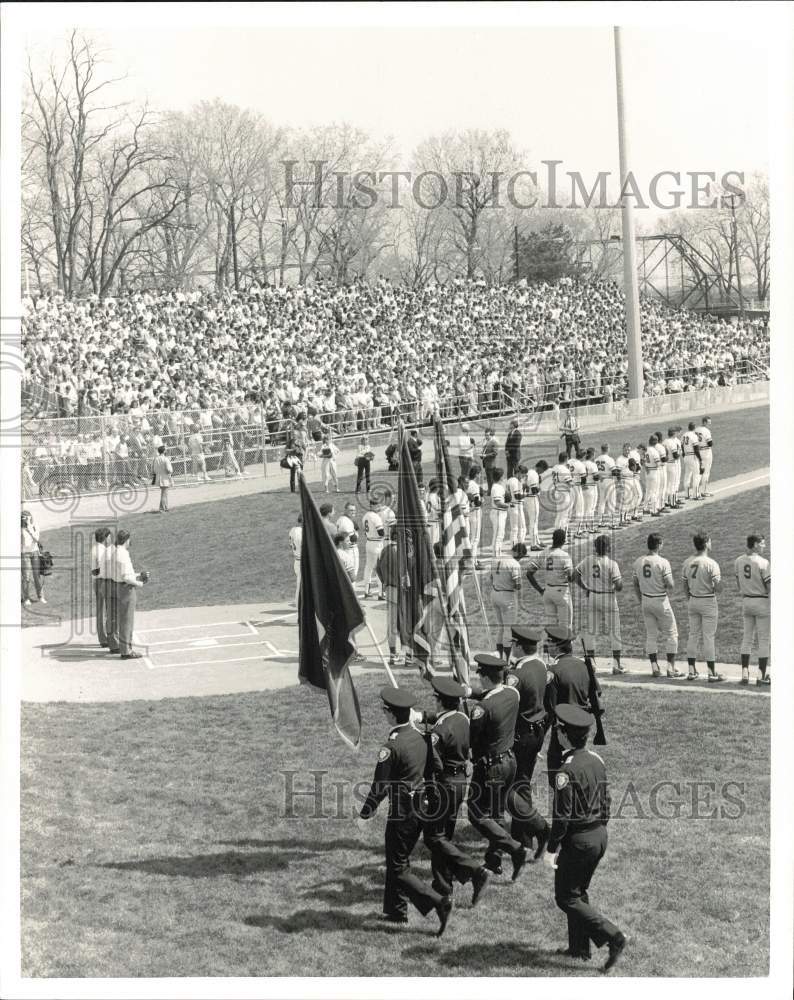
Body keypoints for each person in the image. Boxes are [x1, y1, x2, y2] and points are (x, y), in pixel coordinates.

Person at [358, 686, 453, 935]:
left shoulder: (391, 747)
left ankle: (439, 903)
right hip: (422, 807)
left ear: (390, 715)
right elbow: (435, 768)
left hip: (403, 813)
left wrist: (365, 813)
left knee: (398, 866)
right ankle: (396, 910)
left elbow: (380, 787)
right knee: (397, 860)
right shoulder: (422, 736)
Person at [543, 703, 627, 974]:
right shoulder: (596, 760)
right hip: (599, 835)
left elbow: (562, 816)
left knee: (566, 898)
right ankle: (579, 948)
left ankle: (613, 936)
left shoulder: (565, 772)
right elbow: (607, 801)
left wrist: (551, 849)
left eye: (558, 729)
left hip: (580, 840)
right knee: (578, 891)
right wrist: (598, 828)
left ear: (563, 735)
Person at [422, 676, 490, 903]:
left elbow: (434, 765)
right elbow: (446, 724)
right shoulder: (462, 717)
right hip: (460, 781)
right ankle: (443, 885)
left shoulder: (438, 732)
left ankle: (474, 871)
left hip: (444, 785)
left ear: (439, 701)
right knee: (445, 834)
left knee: (434, 837)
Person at [466, 653, 527, 879]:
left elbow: (472, 740)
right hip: (510, 761)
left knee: (475, 813)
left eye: (479, 674)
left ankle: (515, 849)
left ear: (484, 677)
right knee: (496, 812)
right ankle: (494, 860)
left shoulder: (482, 709)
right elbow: (492, 696)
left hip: (490, 767)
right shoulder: (513, 693)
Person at [505, 626, 551, 856]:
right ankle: (523, 838)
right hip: (536, 732)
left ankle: (540, 828)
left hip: (520, 735)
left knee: (509, 787)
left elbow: (505, 703)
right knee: (520, 783)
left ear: (519, 646)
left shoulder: (517, 674)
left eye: (514, 643)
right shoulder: (541, 666)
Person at [544, 626, 601, 785]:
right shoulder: (584, 665)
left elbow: (550, 706)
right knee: (579, 763)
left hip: (563, 727)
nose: (546, 645)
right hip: (582, 724)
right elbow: (596, 693)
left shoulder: (553, 670)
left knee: (558, 775)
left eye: (549, 642)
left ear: (557, 646)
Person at [631, 533, 682, 678]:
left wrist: (641, 599)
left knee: (651, 635)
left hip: (646, 600)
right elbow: (670, 585)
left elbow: (635, 584)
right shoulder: (663, 562)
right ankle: (671, 668)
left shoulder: (638, 561)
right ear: (659, 544)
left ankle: (654, 667)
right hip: (660, 601)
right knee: (672, 633)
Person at [574, 534, 625, 676]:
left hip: (593, 596)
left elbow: (574, 575)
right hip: (608, 597)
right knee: (614, 631)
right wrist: (616, 587)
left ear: (595, 547)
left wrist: (585, 588)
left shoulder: (588, 560)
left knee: (591, 630)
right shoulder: (612, 564)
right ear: (608, 548)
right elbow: (619, 585)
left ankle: (591, 664)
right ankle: (616, 665)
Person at [681, 532, 724, 682]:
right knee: (708, 637)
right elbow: (719, 588)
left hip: (693, 601)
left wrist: (690, 599)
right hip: (707, 601)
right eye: (710, 541)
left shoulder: (687, 562)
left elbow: (685, 585)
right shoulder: (711, 563)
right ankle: (712, 673)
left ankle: (692, 671)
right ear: (705, 543)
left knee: (693, 635)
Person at [734, 533, 771, 686]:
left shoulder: (738, 561)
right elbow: (770, 587)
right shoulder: (763, 562)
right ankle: (761, 675)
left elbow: (738, 584)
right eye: (762, 543)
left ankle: (744, 673)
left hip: (746, 601)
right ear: (755, 544)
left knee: (747, 638)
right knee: (763, 640)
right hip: (761, 601)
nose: (764, 546)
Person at [526, 528, 573, 629]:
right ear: (564, 541)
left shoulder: (543, 553)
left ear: (553, 539)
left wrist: (540, 590)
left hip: (547, 592)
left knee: (551, 628)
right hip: (561, 593)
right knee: (565, 627)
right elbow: (570, 577)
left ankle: (551, 644)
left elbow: (529, 573)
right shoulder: (564, 555)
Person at [112, 529, 148, 659]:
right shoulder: (123, 554)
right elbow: (126, 578)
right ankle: (126, 651)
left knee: (124, 619)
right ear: (127, 540)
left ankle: (124, 648)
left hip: (119, 586)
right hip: (126, 588)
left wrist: (138, 575)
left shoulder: (116, 552)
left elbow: (123, 574)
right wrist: (140, 583)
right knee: (127, 620)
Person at [489, 542, 525, 661]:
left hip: (494, 594)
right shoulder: (514, 564)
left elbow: (491, 578)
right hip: (507, 597)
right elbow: (518, 585)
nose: (520, 559)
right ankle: (507, 660)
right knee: (508, 629)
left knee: (501, 627)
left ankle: (499, 657)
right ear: (517, 552)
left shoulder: (496, 558)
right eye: (520, 556)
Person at [376, 528, 401, 666]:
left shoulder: (384, 550)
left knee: (391, 624)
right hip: (403, 591)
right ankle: (408, 655)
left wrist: (384, 581)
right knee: (406, 623)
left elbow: (377, 568)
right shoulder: (402, 551)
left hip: (390, 589)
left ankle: (393, 654)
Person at [90, 527, 112, 646]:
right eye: (109, 536)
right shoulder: (102, 550)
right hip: (102, 582)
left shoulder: (96, 548)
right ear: (105, 537)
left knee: (101, 609)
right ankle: (106, 638)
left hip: (98, 582)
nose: (110, 539)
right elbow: (95, 571)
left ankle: (103, 638)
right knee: (106, 610)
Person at [361, 497, 386, 599]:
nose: (379, 507)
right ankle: (381, 594)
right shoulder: (376, 517)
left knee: (368, 567)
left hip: (369, 543)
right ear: (372, 506)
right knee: (379, 569)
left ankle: (366, 591)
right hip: (376, 544)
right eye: (377, 505)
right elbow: (381, 533)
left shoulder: (365, 516)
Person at [21, 510, 45, 606]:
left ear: (30, 517)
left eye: (26, 517)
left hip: (34, 552)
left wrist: (29, 527)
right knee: (26, 576)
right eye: (23, 518)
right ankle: (26, 598)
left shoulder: (35, 526)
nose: (25, 519)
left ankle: (41, 596)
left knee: (37, 575)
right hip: (24, 554)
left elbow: (36, 539)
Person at [336, 502, 361, 581]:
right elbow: (353, 539)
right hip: (350, 550)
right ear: (345, 510)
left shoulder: (340, 519)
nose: (353, 512)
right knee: (352, 574)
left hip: (343, 549)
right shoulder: (346, 522)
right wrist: (356, 533)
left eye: (354, 510)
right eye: (351, 510)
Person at [550, 451, 573, 532]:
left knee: (559, 515)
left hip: (557, 492)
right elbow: (570, 483)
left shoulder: (555, 467)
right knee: (565, 516)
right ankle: (563, 537)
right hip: (564, 494)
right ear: (566, 459)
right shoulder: (564, 470)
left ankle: (556, 533)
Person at [488, 467, 509, 559]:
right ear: (501, 477)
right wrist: (508, 505)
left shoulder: (498, 486)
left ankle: (498, 554)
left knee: (500, 534)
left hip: (500, 513)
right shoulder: (496, 487)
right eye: (503, 476)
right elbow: (498, 502)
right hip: (498, 513)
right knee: (498, 535)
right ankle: (496, 557)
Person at [594, 444, 616, 529]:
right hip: (608, 480)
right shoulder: (609, 459)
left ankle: (600, 521)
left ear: (601, 449)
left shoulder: (596, 459)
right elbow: (614, 472)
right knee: (611, 501)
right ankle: (612, 522)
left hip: (600, 481)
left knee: (601, 501)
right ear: (608, 449)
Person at [466, 465, 484, 568]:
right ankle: (473, 563)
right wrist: (482, 501)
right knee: (475, 538)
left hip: (469, 512)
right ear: (476, 474)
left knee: (470, 538)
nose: (480, 475)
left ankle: (475, 560)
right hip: (475, 513)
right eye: (480, 473)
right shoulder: (475, 485)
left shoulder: (467, 483)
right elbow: (477, 502)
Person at [681, 421, 703, 500]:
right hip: (693, 456)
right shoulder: (693, 436)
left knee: (687, 475)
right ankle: (695, 495)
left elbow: (682, 447)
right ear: (694, 427)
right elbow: (696, 449)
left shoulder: (684, 435)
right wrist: (700, 459)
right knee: (696, 475)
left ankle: (686, 494)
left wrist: (684, 456)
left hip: (686, 456)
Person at [523, 462, 542, 551]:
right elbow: (534, 490)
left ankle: (537, 541)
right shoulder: (534, 474)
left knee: (534, 521)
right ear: (539, 468)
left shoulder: (529, 472)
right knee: (533, 522)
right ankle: (533, 544)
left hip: (527, 498)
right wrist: (539, 489)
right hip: (532, 499)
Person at [693, 415, 714, 496]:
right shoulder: (706, 431)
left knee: (698, 472)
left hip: (698, 452)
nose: (710, 424)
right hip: (706, 452)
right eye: (708, 422)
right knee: (706, 472)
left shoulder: (696, 429)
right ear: (704, 422)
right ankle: (704, 491)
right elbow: (710, 443)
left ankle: (696, 492)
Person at [506, 466, 526, 546]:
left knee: (514, 529)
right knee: (522, 528)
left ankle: (513, 547)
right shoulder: (515, 482)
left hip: (511, 505)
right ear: (518, 473)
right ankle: (520, 547)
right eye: (522, 474)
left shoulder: (509, 480)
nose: (523, 476)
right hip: (517, 506)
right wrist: (525, 494)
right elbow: (517, 496)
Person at [151, 444, 174, 513]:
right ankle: (162, 509)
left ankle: (165, 507)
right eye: (165, 449)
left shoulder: (156, 459)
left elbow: (153, 470)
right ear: (163, 451)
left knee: (164, 493)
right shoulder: (165, 459)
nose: (166, 450)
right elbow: (169, 470)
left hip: (159, 477)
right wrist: (170, 472)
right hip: (165, 478)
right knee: (164, 494)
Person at [288, 514, 303, 607]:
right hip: (302, 563)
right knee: (300, 587)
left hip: (297, 561)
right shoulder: (301, 532)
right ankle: (299, 608)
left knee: (301, 586)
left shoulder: (292, 530)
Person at [481, 428, 498, 494]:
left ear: (491, 435)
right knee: (488, 478)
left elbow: (495, 453)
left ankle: (492, 491)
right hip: (486, 463)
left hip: (491, 464)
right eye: (485, 435)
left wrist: (486, 455)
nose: (486, 436)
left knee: (491, 478)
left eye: (487, 435)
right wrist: (482, 455)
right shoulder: (486, 442)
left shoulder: (494, 442)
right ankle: (489, 490)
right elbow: (484, 452)